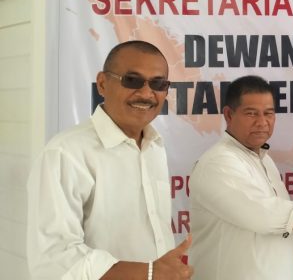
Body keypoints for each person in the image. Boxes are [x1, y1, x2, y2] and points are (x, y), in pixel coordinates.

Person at [27, 40, 193, 279]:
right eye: (132, 80)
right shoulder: (65, 153)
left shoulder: (154, 145)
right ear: (103, 84)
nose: (146, 94)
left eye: (158, 84)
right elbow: (54, 257)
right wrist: (148, 273)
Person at [189, 75, 293, 280]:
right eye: (251, 113)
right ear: (229, 115)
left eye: (268, 113)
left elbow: (257, 218)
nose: (262, 122)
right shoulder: (219, 163)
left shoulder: (262, 159)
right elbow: (266, 217)